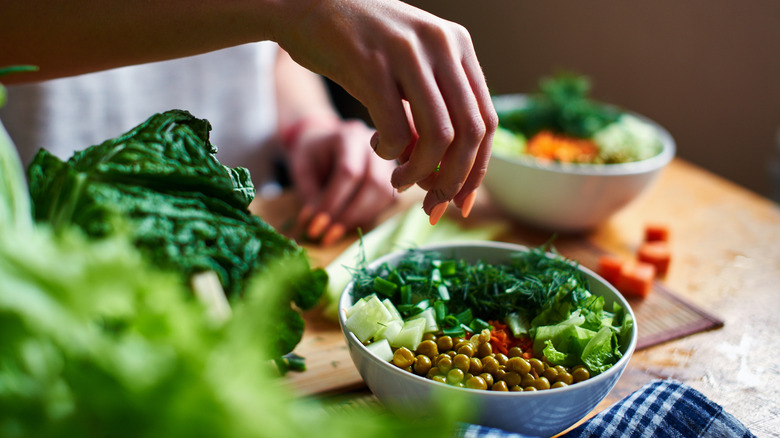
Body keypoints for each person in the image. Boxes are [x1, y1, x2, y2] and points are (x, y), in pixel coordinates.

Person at [0, 0, 497, 240]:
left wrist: (308, 126)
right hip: (52, 247)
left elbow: (269, 53)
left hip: (248, 229)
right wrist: (294, 8)